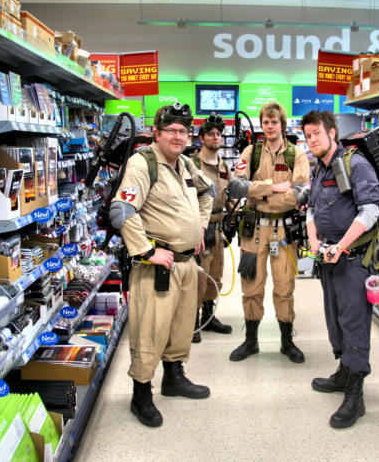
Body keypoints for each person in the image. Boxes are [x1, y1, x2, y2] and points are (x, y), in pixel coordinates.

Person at [109, 103, 216, 428]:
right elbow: (122, 209)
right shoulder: (142, 164)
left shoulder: (185, 164)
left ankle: (174, 377)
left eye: (183, 131)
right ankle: (141, 393)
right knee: (151, 331)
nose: (178, 136)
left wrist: (200, 226)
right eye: (171, 130)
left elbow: (207, 191)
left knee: (181, 326)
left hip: (186, 263)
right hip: (157, 267)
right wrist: (147, 251)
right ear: (156, 133)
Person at [301, 110, 379, 429]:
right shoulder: (320, 169)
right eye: (308, 136)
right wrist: (314, 242)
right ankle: (344, 372)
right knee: (335, 319)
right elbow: (311, 209)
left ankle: (356, 395)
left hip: (352, 260)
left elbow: (370, 210)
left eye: (317, 134)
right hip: (328, 259)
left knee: (353, 322)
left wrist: (342, 245)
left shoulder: (355, 164)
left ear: (332, 132)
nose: (312, 140)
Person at [227, 101, 310, 363]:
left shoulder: (297, 154)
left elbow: (301, 193)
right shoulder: (250, 152)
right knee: (251, 286)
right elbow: (236, 186)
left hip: (285, 231)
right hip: (253, 230)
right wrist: (273, 188)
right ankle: (251, 341)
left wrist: (258, 192)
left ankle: (287, 342)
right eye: (266, 122)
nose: (270, 126)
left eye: (274, 122)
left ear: (282, 125)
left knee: (284, 287)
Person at [191, 113, 233, 343]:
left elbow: (229, 196)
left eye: (218, 134)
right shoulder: (193, 165)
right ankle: (193, 322)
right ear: (202, 138)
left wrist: (233, 220)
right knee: (199, 276)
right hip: (200, 230)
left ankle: (209, 316)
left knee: (215, 275)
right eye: (211, 134)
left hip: (218, 229)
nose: (216, 137)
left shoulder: (224, 166)